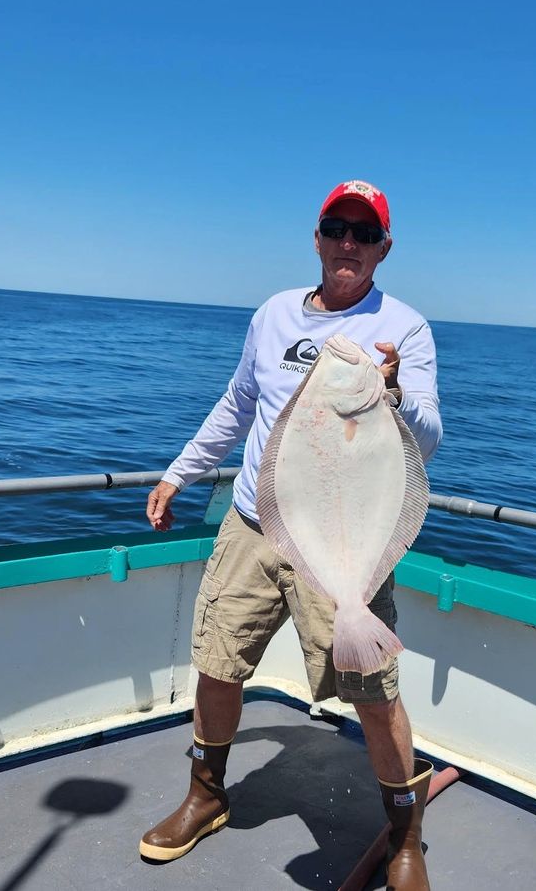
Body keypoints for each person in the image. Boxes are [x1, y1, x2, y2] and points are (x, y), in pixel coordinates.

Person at [139, 179, 443, 889]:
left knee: (372, 690)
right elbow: (239, 402)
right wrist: (180, 473)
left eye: (364, 235)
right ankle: (206, 793)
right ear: (316, 236)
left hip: (344, 543)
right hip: (253, 521)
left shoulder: (407, 328)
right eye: (337, 227)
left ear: (383, 250)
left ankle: (404, 838)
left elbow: (427, 439)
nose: (348, 243)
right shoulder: (274, 313)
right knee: (218, 661)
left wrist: (392, 394)